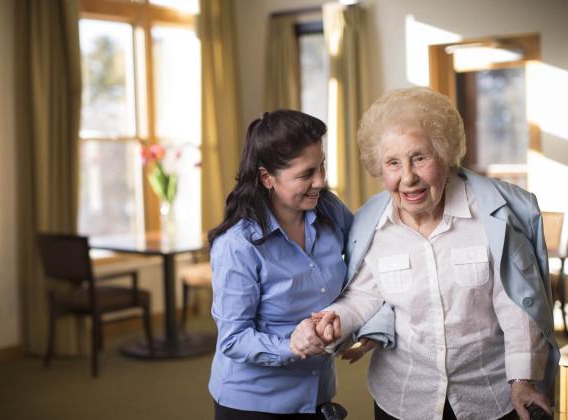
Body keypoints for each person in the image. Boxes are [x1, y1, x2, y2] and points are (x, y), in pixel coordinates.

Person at [313, 87, 560, 420]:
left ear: (445, 155)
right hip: (403, 396)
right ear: (379, 167)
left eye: (419, 158)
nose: (408, 178)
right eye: (393, 163)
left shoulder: (490, 219)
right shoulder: (372, 227)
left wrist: (521, 379)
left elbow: (516, 306)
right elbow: (363, 294)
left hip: (488, 393)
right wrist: (335, 320)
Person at [207, 109, 354, 419]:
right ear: (266, 177)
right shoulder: (237, 246)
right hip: (253, 402)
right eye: (306, 174)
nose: (320, 181)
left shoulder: (330, 210)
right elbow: (233, 339)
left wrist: (359, 324)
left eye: (322, 166)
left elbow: (368, 265)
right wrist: (292, 345)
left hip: (318, 392)